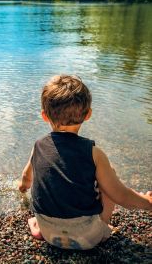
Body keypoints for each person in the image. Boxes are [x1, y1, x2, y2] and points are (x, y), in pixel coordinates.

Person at [18, 75, 152, 250]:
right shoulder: (94, 153)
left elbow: (26, 178)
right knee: (108, 173)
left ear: (44, 116)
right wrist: (148, 203)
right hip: (88, 237)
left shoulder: (38, 146)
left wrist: (22, 189)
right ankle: (104, 229)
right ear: (88, 114)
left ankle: (38, 226)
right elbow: (121, 196)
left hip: (49, 233)